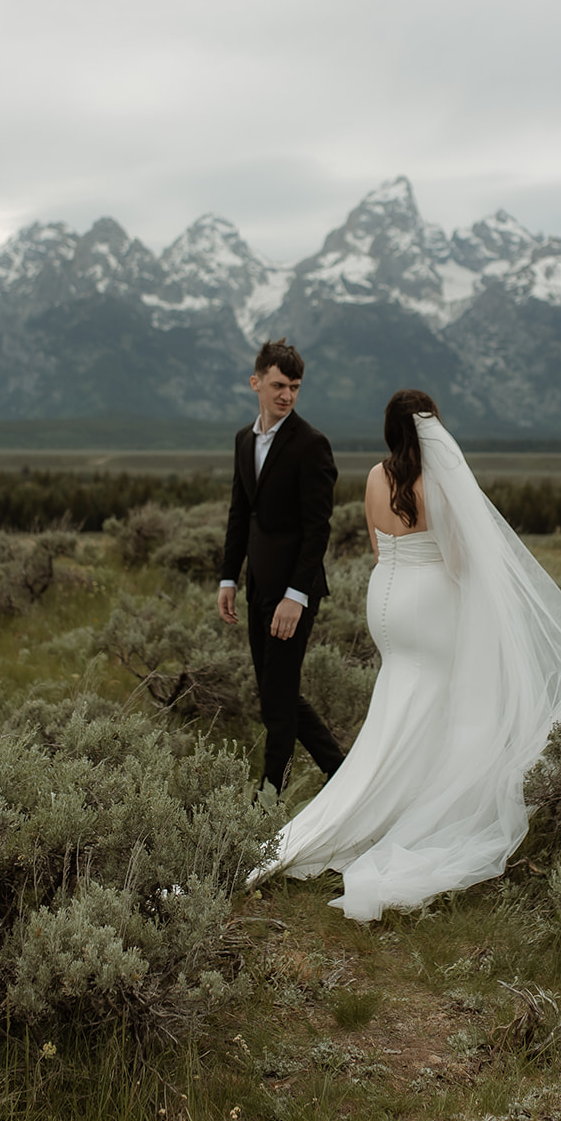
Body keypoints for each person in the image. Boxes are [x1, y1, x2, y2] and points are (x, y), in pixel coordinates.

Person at [254, 389, 561, 921]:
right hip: (428, 602)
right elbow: (458, 559)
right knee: (434, 701)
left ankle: (374, 797)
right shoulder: (437, 483)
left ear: (391, 431)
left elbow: (375, 543)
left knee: (400, 699)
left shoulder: (372, 477)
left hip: (384, 598)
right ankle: (414, 809)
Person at [218, 339, 346, 796]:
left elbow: (318, 528)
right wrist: (229, 577)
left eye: (294, 387)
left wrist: (297, 595)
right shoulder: (243, 440)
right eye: (277, 385)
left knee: (277, 698)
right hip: (257, 588)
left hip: (294, 594)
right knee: (278, 693)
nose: (286, 395)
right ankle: (342, 772)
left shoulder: (312, 445)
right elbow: (239, 513)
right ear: (256, 383)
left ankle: (268, 796)